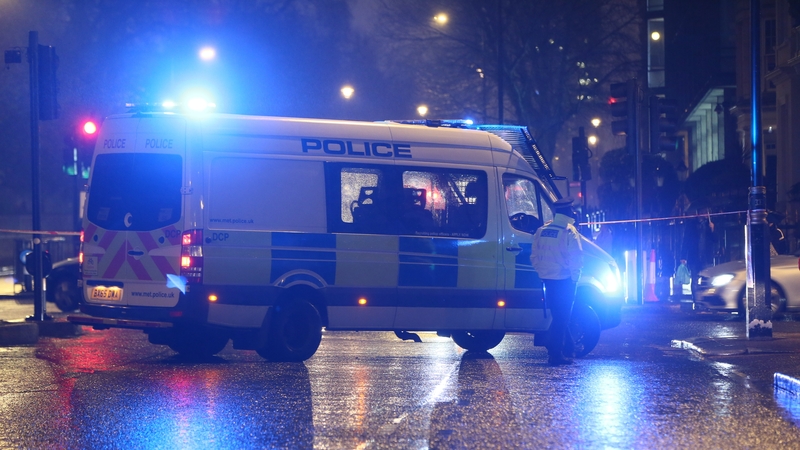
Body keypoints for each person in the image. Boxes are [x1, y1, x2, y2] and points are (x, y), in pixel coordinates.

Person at [530, 197, 584, 365]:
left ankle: (568, 347)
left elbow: (534, 256)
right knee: (563, 318)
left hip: (548, 279)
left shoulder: (542, 230)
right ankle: (555, 354)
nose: (574, 212)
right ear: (567, 211)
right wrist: (575, 279)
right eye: (572, 209)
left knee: (559, 315)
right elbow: (576, 259)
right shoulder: (569, 231)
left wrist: (542, 272)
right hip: (564, 279)